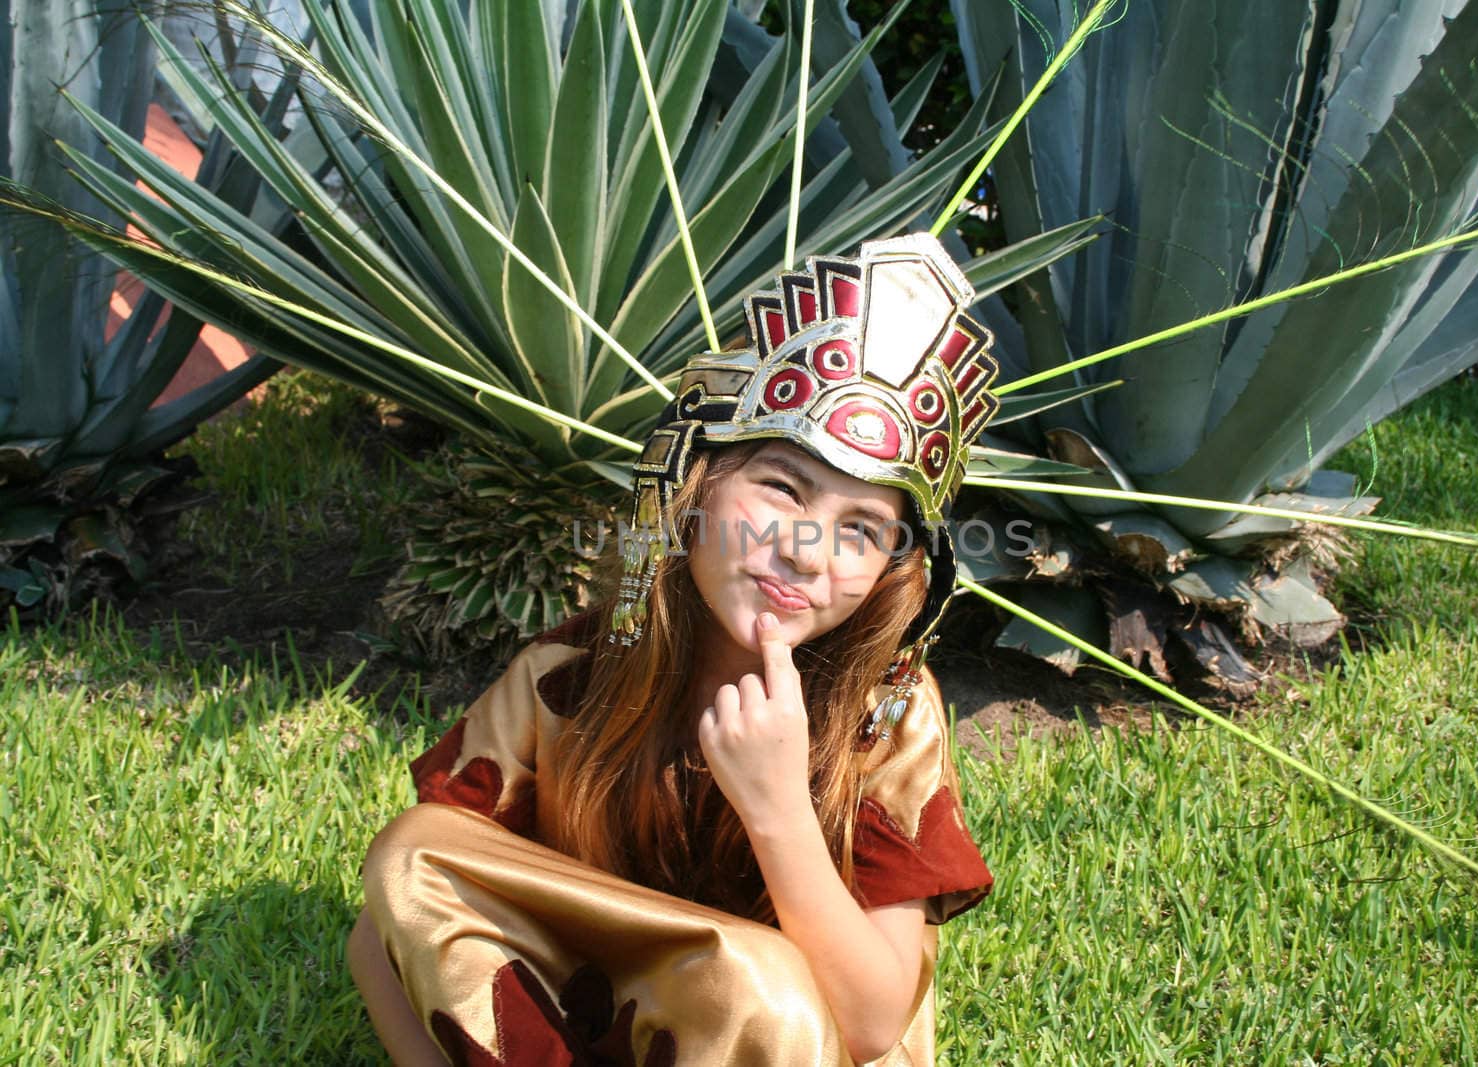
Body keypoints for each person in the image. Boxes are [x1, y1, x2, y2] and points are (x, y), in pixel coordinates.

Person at [347, 234, 1002, 1066]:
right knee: (404, 865)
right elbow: (400, 918)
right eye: (780, 487)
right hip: (617, 1020)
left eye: (862, 529)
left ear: (888, 574)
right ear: (690, 486)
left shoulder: (890, 716)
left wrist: (777, 807)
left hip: (803, 1040)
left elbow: (872, 1022)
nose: (806, 551)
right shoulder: (568, 681)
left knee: (766, 992)